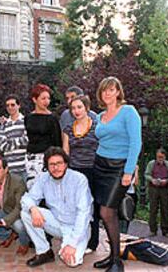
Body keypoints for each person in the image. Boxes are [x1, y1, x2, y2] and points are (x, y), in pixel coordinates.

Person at [92, 77, 141, 272]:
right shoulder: (100, 116)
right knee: (104, 212)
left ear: (118, 92)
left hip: (119, 168)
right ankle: (112, 256)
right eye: (104, 90)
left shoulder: (129, 112)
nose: (107, 93)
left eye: (111, 90)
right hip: (100, 165)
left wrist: (129, 171)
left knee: (107, 211)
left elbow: (136, 143)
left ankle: (117, 261)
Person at [21, 147, 93, 268]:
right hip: (56, 223)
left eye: (59, 163)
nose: (56, 168)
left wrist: (72, 243)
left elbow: (84, 214)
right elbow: (27, 198)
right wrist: (33, 209)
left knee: (72, 261)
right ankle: (44, 251)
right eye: (52, 164)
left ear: (66, 164)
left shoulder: (79, 179)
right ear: (47, 166)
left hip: (76, 227)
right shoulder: (43, 178)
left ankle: (75, 245)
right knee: (26, 212)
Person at [62, 95, 99, 253]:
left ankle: (93, 242)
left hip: (94, 171)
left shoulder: (98, 126)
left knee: (94, 207)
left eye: (79, 107)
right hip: (75, 173)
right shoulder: (68, 129)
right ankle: (77, 239)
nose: (76, 111)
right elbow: (66, 153)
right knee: (77, 208)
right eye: (73, 108)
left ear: (87, 108)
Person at [25, 84, 62, 185]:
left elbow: (58, 142)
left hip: (46, 158)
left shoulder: (52, 118)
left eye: (48, 98)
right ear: (34, 99)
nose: (46, 101)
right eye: (43, 98)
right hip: (30, 158)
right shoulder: (28, 117)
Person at [145, 148, 168, 239]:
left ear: (164, 157)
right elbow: (147, 174)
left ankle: (166, 230)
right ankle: (153, 230)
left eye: (161, 157)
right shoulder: (151, 164)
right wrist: (152, 180)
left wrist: (166, 181)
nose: (160, 159)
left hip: (165, 189)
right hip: (153, 188)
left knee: (165, 209)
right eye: (158, 157)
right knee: (153, 209)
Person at [0, 95, 28, 182]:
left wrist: (10, 142)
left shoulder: (26, 121)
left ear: (19, 106)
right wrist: (20, 141)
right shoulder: (4, 125)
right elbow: (3, 146)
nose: (10, 107)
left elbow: (27, 140)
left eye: (12, 105)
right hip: (11, 167)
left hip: (25, 166)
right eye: (7, 105)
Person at [119, 166, 139, 234]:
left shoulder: (133, 170)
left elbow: (136, 183)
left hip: (131, 194)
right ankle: (121, 232)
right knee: (122, 214)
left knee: (128, 215)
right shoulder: (123, 170)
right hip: (123, 194)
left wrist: (136, 171)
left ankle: (124, 231)